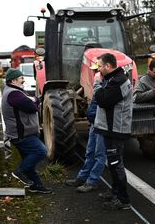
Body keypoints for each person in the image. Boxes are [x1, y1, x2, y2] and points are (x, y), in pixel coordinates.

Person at [1, 68, 52, 194]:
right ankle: (19, 171)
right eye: (21, 78)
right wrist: (34, 102)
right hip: (22, 134)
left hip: (23, 133)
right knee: (41, 151)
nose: (23, 80)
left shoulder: (15, 91)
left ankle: (36, 185)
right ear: (13, 80)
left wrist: (33, 100)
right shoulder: (13, 94)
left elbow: (33, 99)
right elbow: (32, 107)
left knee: (29, 160)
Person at [93, 53, 132, 210]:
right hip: (110, 128)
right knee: (113, 162)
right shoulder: (113, 79)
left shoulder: (119, 81)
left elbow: (103, 100)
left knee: (116, 163)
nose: (99, 70)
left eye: (100, 66)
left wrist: (96, 83)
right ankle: (115, 192)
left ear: (108, 66)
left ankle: (123, 200)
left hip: (115, 128)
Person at [65, 62, 106, 193]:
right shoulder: (99, 83)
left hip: (102, 124)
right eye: (94, 71)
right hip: (94, 122)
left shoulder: (105, 84)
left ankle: (92, 181)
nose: (94, 73)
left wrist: (97, 83)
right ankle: (82, 177)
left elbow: (102, 101)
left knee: (100, 154)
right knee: (90, 152)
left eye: (97, 70)